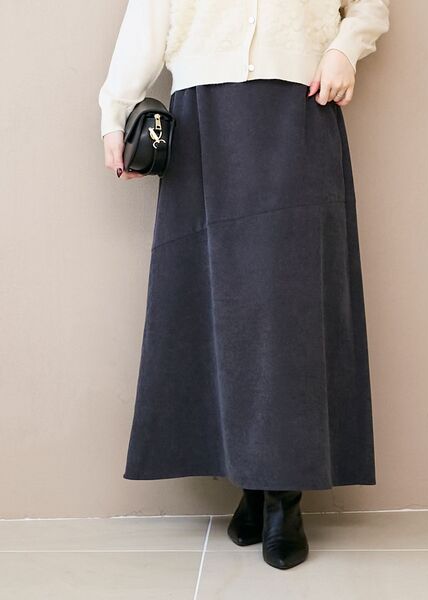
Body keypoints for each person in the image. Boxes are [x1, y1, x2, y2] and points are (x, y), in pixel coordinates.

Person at [98, 0, 390, 570]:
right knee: (218, 306)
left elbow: (370, 7)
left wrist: (343, 49)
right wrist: (116, 113)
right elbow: (148, 19)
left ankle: (284, 498)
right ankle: (251, 483)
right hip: (205, 122)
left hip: (298, 109)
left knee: (290, 308)